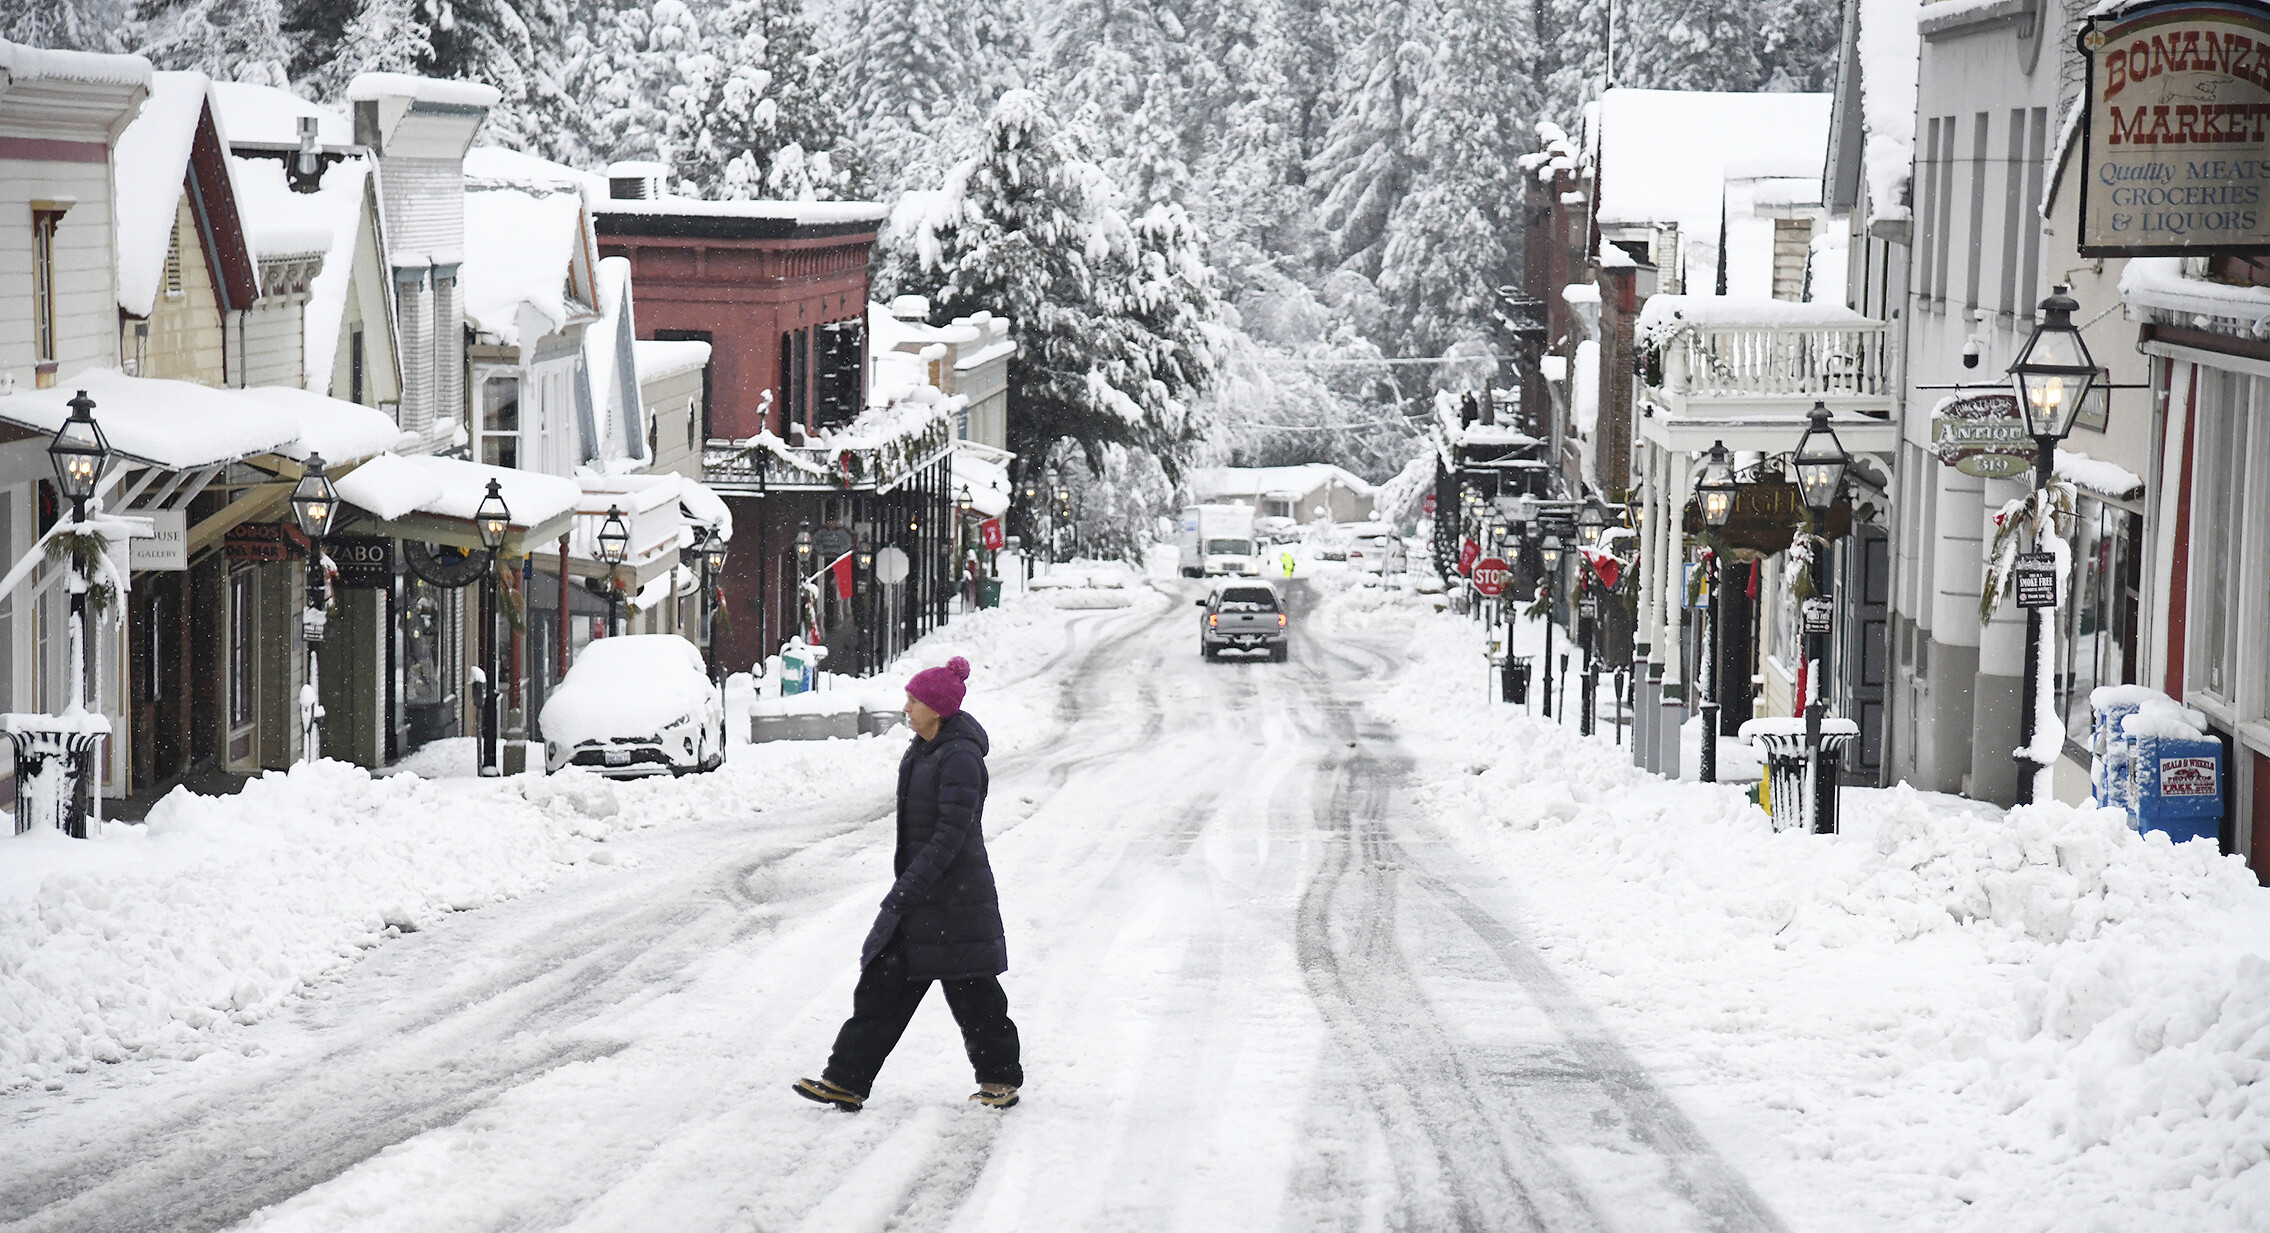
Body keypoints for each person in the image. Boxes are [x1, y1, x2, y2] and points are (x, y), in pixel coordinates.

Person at [795, 656, 1022, 1112]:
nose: (906, 707)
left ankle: (999, 1080)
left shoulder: (959, 756)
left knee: (975, 995)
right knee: (882, 987)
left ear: (937, 708)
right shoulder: (924, 749)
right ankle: (845, 1080)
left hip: (955, 901)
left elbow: (950, 834)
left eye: (914, 700)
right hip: (926, 897)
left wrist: (909, 886)